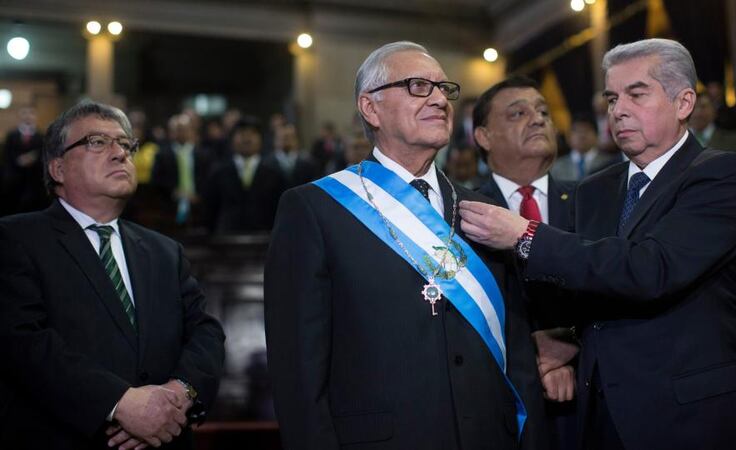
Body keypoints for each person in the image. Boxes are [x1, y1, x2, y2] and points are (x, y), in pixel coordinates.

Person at [459, 38, 736, 450]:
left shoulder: (719, 175)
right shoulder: (593, 190)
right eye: (612, 97)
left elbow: (650, 269)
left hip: (696, 417)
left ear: (683, 103)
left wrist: (524, 234)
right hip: (603, 419)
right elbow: (588, 288)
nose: (618, 110)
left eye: (637, 94)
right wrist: (567, 339)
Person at [264, 41, 550, 450]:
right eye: (418, 86)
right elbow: (298, 370)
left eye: (443, 88)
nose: (439, 99)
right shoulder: (315, 209)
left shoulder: (484, 211)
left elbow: (516, 351)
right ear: (371, 107)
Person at [0, 101, 226, 449]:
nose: (120, 153)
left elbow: (205, 332)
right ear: (57, 167)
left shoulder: (166, 250)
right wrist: (120, 403)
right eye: (97, 142)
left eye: (125, 144)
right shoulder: (16, 238)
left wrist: (179, 393)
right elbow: (24, 343)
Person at [472, 75, 580, 450]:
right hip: (504, 406)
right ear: (483, 137)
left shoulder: (591, 200)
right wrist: (534, 360)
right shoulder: (462, 212)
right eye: (518, 113)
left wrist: (570, 345)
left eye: (543, 112)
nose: (538, 120)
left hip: (593, 397)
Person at [203, 116, 285, 233]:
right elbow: (210, 209)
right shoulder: (218, 171)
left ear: (261, 139)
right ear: (232, 140)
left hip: (265, 238)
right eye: (241, 134)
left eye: (252, 134)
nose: (247, 138)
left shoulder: (274, 172)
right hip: (226, 239)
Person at [551, 112, 622, 182]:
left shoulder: (610, 163)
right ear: (568, 137)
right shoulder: (556, 166)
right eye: (577, 130)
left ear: (597, 135)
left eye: (586, 130)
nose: (582, 135)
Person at [689, 91, 736, 160]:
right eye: (693, 107)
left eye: (703, 107)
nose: (697, 112)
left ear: (714, 110)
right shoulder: (677, 143)